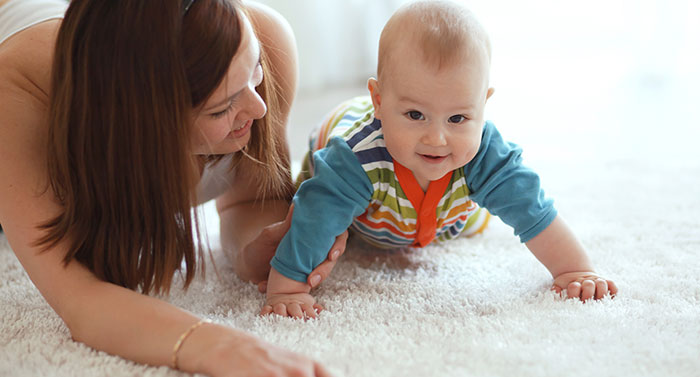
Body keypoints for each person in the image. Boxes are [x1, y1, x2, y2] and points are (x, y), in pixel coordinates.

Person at [0, 0, 345, 375]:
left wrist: (254, 252)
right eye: (220, 109)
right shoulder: (20, 95)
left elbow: (246, 199)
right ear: (140, 121)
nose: (259, 108)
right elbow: (80, 299)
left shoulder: (255, 37)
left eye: (256, 70)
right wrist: (221, 346)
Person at [261, 0, 619, 319]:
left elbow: (534, 210)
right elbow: (314, 218)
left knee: (470, 217)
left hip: (435, 215)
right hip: (355, 206)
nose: (437, 139)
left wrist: (575, 271)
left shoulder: (485, 153)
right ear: (379, 101)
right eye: (415, 115)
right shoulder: (353, 159)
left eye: (458, 118)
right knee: (316, 208)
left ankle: (446, 200)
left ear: (482, 105)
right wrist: (288, 287)